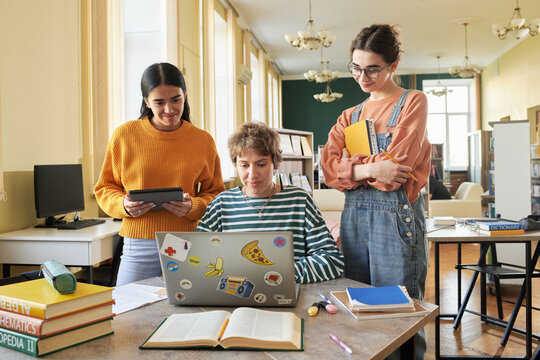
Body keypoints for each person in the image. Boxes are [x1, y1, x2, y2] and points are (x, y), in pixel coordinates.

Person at [321, 24, 431, 359]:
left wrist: (351, 168)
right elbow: (327, 170)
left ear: (393, 66)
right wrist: (371, 168)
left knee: (400, 312)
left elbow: (395, 172)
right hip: (354, 226)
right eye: (356, 68)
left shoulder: (413, 101)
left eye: (372, 69)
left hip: (396, 226)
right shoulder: (350, 115)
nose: (362, 77)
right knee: (358, 308)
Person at [95, 62, 225, 286]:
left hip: (185, 240)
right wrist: (123, 205)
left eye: (176, 99)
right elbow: (105, 188)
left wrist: (193, 206)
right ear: (146, 101)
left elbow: (216, 194)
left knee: (186, 311)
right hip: (138, 242)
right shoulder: (124, 135)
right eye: (159, 102)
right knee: (128, 314)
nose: (169, 109)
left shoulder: (202, 140)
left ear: (185, 95)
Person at [196, 122, 345, 284]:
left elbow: (333, 261)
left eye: (261, 164)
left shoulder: (299, 201)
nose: (252, 174)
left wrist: (280, 274)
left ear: (276, 163)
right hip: (234, 295)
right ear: (235, 166)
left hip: (290, 296)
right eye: (244, 165)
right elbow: (197, 256)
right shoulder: (221, 203)